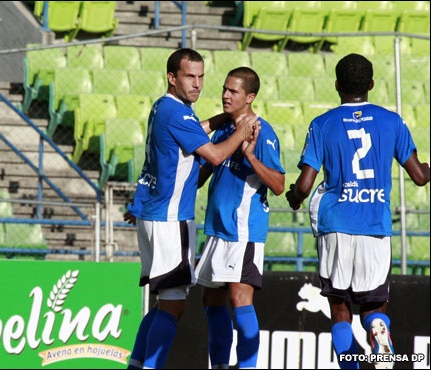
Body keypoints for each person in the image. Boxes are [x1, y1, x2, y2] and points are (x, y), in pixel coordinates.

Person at [285, 53, 430, 369]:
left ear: (336, 85)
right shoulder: (392, 121)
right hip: (375, 226)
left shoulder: (322, 123)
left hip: (336, 224)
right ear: (372, 85)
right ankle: (379, 337)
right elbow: (419, 177)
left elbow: (305, 185)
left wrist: (294, 197)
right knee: (375, 308)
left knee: (339, 309)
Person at [123, 48, 259, 369]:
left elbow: (191, 128)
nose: (197, 84)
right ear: (172, 77)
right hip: (171, 220)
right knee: (173, 306)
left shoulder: (163, 107)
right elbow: (213, 156)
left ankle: (136, 364)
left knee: (161, 305)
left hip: (154, 215)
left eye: (200, 77)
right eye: (189, 76)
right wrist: (241, 130)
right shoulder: (179, 114)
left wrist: (222, 119)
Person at [194, 66, 285, 369]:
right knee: (212, 302)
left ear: (250, 97)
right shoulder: (225, 128)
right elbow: (202, 174)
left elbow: (279, 183)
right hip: (217, 230)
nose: (225, 95)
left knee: (239, 299)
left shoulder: (263, 131)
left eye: (233, 91)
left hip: (243, 229)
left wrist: (251, 157)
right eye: (224, 88)